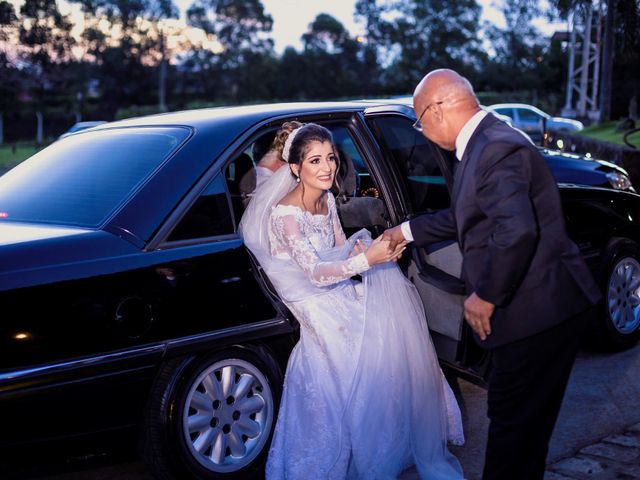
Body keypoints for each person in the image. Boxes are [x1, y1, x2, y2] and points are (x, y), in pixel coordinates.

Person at [383, 69, 601, 480]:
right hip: (540, 309)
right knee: (522, 431)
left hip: (538, 313)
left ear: (437, 109)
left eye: (419, 120)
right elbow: (467, 215)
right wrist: (405, 231)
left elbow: (517, 230)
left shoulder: (495, 147)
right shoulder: (484, 142)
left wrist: (485, 295)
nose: (423, 131)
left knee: (512, 430)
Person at [239, 122, 465, 479]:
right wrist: (366, 260)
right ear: (296, 169)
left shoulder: (327, 199)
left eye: (330, 158)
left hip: (334, 280)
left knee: (388, 329)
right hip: (307, 295)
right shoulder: (285, 215)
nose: (327, 167)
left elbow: (339, 245)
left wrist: (370, 249)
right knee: (356, 344)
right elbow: (315, 272)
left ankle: (389, 438)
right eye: (315, 161)